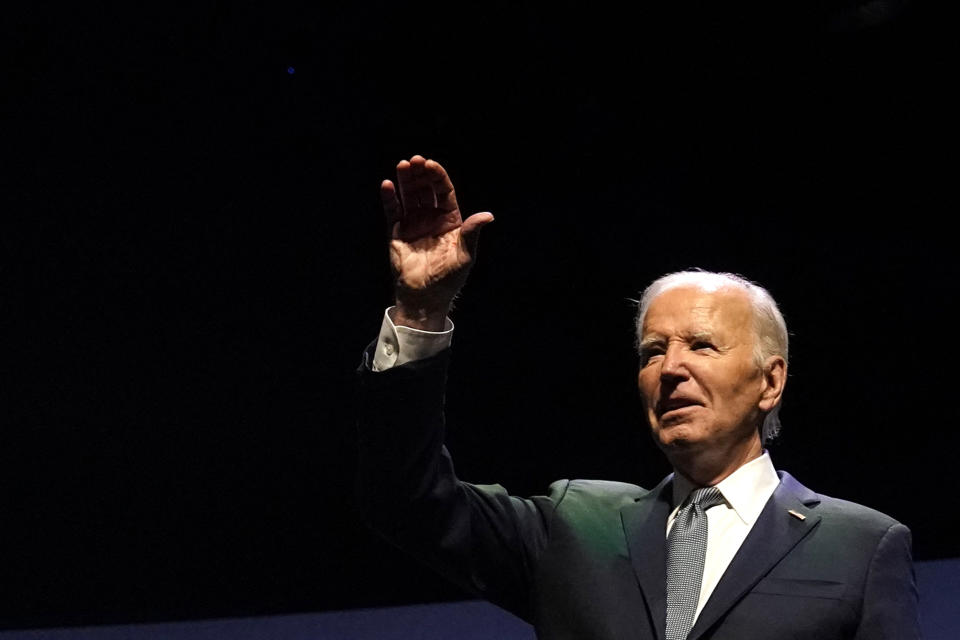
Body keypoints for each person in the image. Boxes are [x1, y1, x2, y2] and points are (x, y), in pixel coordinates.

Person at [356, 155, 920, 639]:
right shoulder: (575, 528)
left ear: (770, 383)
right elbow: (404, 500)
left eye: (701, 346)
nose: (671, 368)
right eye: (653, 351)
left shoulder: (862, 545)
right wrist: (420, 314)